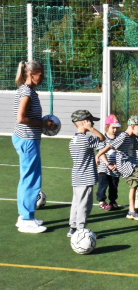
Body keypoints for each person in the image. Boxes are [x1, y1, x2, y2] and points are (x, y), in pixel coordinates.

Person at [13, 60, 57, 234]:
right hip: (27, 140)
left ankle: (24, 215)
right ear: (32, 74)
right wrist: (43, 123)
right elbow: (21, 118)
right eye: (41, 74)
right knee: (31, 179)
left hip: (27, 139)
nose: (43, 77)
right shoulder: (26, 92)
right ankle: (26, 219)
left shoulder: (28, 91)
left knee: (27, 178)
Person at [67, 110, 105, 237]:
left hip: (77, 177)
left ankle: (72, 227)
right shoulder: (87, 139)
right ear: (84, 122)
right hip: (86, 178)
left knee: (76, 203)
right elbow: (102, 138)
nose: (92, 123)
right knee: (85, 204)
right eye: (90, 121)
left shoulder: (73, 140)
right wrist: (91, 129)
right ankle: (80, 229)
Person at [96, 114, 123, 211]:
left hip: (115, 167)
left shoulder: (119, 138)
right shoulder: (102, 138)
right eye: (113, 127)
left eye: (116, 128)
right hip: (104, 167)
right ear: (107, 127)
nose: (115, 130)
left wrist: (117, 164)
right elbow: (100, 152)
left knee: (114, 185)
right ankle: (101, 201)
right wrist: (108, 164)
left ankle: (113, 201)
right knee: (103, 184)